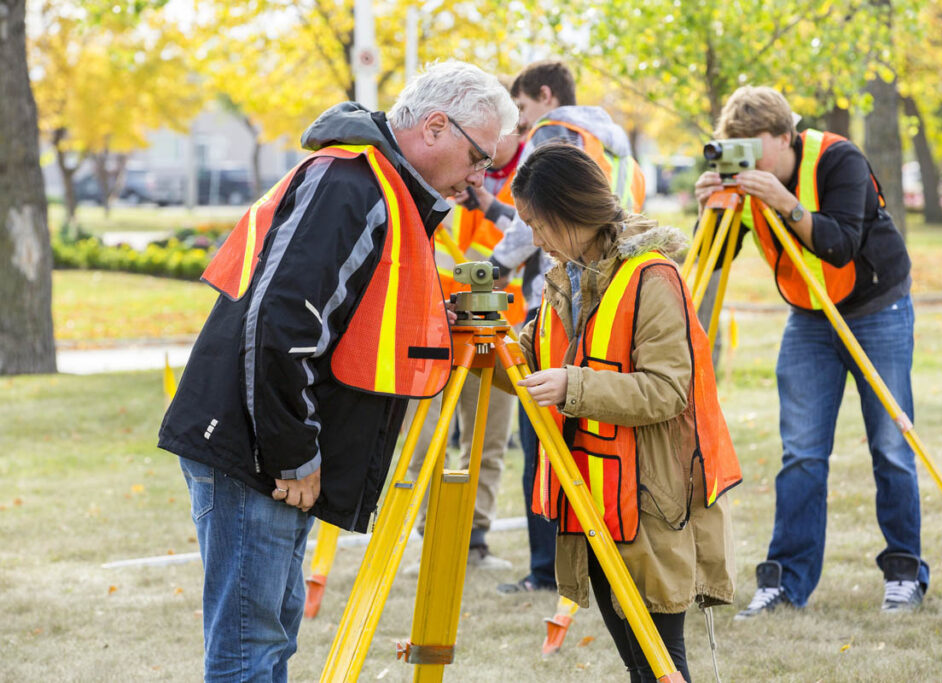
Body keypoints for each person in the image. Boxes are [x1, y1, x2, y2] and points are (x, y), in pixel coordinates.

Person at [157, 60, 518, 681]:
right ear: (435, 127)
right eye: (481, 157)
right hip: (258, 450)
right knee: (251, 647)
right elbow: (278, 325)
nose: (481, 178)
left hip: (272, 446)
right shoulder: (351, 184)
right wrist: (293, 453)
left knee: (270, 633)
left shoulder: (382, 188)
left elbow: (348, 316)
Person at [501, 142, 740, 682]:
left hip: (651, 501)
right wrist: (478, 345)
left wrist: (572, 385)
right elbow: (534, 363)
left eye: (538, 223)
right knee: (637, 661)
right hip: (596, 497)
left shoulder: (653, 278)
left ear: (571, 210)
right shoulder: (569, 276)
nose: (533, 239)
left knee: (658, 661)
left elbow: (666, 390)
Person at [693, 85, 927, 617]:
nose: (748, 161)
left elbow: (841, 243)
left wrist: (784, 201)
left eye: (755, 149)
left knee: (891, 445)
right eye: (736, 149)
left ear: (784, 136)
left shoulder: (839, 159)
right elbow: (716, 253)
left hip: (876, 308)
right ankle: (785, 583)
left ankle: (905, 573)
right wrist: (711, 207)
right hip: (809, 316)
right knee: (800, 454)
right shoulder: (746, 182)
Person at [492, 59, 647, 594]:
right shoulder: (613, 138)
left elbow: (529, 218)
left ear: (544, 96)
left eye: (521, 110)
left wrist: (493, 268)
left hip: (567, 288)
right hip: (609, 282)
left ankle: (546, 569)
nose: (519, 126)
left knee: (544, 432)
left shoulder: (554, 135)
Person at [403, 125, 526, 571]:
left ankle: (474, 542)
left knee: (486, 441)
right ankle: (432, 538)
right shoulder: (427, 186)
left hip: (491, 330)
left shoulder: (513, 192)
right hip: (430, 331)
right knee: (424, 443)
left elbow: (533, 234)